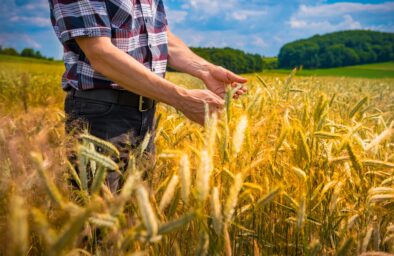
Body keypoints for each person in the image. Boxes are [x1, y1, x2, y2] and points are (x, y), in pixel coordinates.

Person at [48, 0, 247, 192]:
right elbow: (100, 53)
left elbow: (161, 37)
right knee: (98, 216)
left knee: (136, 217)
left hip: (146, 114)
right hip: (101, 114)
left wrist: (206, 70)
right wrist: (182, 99)